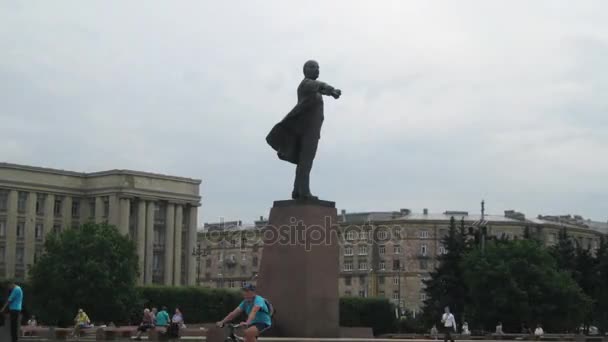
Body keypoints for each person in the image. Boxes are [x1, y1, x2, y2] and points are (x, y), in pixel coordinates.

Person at [265, 60, 342, 200]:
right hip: (307, 131)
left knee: (304, 162)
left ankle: (297, 191)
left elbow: (320, 90)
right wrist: (333, 91)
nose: (316, 69)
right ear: (305, 70)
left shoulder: (314, 90)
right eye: (312, 67)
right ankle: (304, 192)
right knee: (306, 162)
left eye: (318, 67)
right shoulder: (306, 84)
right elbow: (321, 86)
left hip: (311, 131)